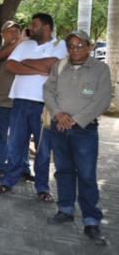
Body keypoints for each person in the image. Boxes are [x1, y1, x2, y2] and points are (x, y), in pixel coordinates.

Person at [43, 30, 111, 246]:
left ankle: (91, 220)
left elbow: (102, 100)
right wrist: (58, 114)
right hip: (59, 127)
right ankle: (65, 209)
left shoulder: (100, 69)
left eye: (80, 45)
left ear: (89, 47)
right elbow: (48, 90)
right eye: (71, 46)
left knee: (87, 175)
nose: (75, 49)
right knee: (63, 171)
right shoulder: (60, 66)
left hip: (84, 130)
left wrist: (75, 120)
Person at [0, 13, 67, 201]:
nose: (30, 28)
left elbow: (52, 65)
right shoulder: (24, 45)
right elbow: (10, 66)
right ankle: (9, 180)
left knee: (43, 148)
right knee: (15, 144)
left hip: (44, 104)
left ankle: (42, 187)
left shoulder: (60, 46)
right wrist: (40, 68)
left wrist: (25, 64)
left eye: (34, 24)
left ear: (46, 27)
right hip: (19, 101)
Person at [0, 21, 33, 181]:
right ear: (2, 34)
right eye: (10, 31)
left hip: (22, 100)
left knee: (22, 137)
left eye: (17, 31)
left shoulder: (25, 48)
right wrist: (21, 41)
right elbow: (1, 56)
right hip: (2, 101)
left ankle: (23, 168)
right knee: (2, 136)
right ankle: (2, 168)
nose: (14, 34)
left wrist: (24, 42)